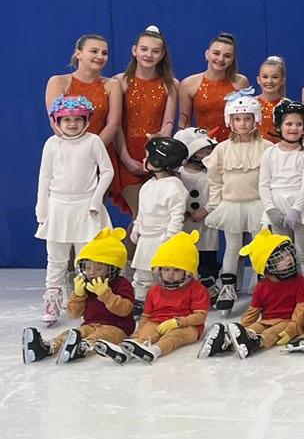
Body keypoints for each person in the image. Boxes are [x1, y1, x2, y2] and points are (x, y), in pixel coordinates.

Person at [35, 95, 115, 325]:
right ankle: (52, 300)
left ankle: (86, 302)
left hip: (86, 208)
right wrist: (42, 208)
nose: (72, 124)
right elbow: (44, 177)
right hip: (58, 207)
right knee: (56, 259)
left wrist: (96, 200)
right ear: (57, 122)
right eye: (66, 119)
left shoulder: (93, 142)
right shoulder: (52, 144)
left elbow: (107, 171)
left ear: (87, 120)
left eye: (78, 119)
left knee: (86, 260)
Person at [22, 228, 135, 365]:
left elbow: (125, 310)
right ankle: (47, 348)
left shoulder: (122, 284)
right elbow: (73, 314)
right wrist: (78, 295)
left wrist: (105, 294)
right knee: (72, 333)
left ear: (112, 268)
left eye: (98, 268)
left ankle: (82, 348)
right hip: (89, 324)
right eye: (87, 268)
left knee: (100, 337)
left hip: (117, 327)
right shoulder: (85, 283)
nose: (91, 272)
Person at [96, 230, 209, 364]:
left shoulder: (198, 289)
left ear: (188, 271)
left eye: (177, 270)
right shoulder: (153, 290)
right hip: (157, 321)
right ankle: (127, 351)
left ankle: (154, 351)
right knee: (146, 333)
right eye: (166, 269)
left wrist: (178, 322)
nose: (170, 274)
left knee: (173, 337)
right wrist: (139, 332)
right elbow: (146, 316)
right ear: (159, 270)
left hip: (188, 326)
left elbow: (200, 316)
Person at [203, 92, 272, 312]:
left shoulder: (266, 147)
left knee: (259, 245)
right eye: (237, 119)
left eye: (247, 118)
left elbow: (271, 178)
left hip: (258, 204)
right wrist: (215, 203)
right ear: (229, 121)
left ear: (256, 119)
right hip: (231, 204)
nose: (242, 123)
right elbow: (214, 179)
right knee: (232, 246)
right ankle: (228, 287)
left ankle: (263, 285)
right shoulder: (222, 149)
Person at [200, 228, 304, 358]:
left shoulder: (300, 281)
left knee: (272, 333)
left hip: (287, 321)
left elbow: (302, 309)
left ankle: (256, 342)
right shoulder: (262, 287)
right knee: (253, 328)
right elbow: (253, 311)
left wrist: (293, 327)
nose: (288, 259)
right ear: (266, 265)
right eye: (280, 258)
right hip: (265, 320)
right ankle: (225, 342)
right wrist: (243, 328)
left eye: (288, 254)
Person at [111, 26, 178, 214]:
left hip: (155, 153)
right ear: (135, 50)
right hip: (126, 151)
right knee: (140, 213)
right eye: (144, 49)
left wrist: (163, 136)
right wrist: (126, 159)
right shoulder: (119, 82)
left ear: (162, 55)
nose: (149, 54)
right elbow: (115, 125)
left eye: (155, 51)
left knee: (156, 214)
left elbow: (168, 122)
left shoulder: (170, 85)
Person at [258, 101, 304, 290]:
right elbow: (263, 184)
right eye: (289, 124)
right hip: (277, 205)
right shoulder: (269, 153)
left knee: (303, 252)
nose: (294, 128)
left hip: (301, 207)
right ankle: (287, 289)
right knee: (283, 253)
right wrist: (270, 209)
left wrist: (296, 210)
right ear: (279, 126)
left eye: (299, 124)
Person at [129, 137, 190, 305]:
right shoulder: (148, 185)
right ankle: (140, 299)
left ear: (159, 159)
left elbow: (177, 216)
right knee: (142, 274)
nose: (143, 159)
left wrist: (170, 237)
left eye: (147, 156)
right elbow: (142, 211)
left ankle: (165, 302)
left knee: (163, 275)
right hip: (145, 238)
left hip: (162, 239)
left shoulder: (175, 188)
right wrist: (137, 227)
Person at [44, 34, 122, 153]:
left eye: (104, 53)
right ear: (78, 53)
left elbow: (113, 124)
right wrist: (77, 151)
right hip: (68, 151)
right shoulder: (58, 82)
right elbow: (55, 121)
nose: (100, 56)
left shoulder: (112, 85)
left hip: (101, 151)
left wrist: (92, 151)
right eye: (94, 51)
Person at [174, 127, 223, 302]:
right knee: (186, 257)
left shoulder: (211, 173)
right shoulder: (178, 175)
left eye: (209, 149)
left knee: (206, 259)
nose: (207, 152)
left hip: (206, 226)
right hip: (185, 227)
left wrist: (206, 210)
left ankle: (209, 285)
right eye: (202, 149)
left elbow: (218, 194)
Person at [179, 33, 250, 140]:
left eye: (227, 56)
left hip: (234, 143)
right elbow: (184, 124)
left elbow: (247, 119)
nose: (220, 59)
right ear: (207, 54)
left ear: (232, 59)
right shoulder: (188, 84)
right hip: (202, 145)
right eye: (216, 53)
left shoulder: (241, 82)